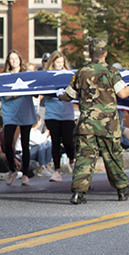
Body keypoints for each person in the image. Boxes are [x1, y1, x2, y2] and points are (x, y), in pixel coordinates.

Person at [64, 38, 129, 204]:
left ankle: (78, 193)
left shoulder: (81, 73)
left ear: (90, 54)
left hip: (86, 124)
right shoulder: (111, 72)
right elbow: (123, 93)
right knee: (113, 156)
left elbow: (68, 96)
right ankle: (122, 190)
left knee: (84, 158)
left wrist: (58, 94)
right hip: (108, 125)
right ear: (105, 53)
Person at [0, 50, 36, 186]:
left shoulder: (27, 76)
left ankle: (25, 174)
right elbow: (4, 94)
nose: (14, 61)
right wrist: (19, 93)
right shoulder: (5, 76)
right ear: (8, 62)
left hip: (25, 111)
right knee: (8, 143)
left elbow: (35, 91)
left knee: (25, 143)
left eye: (16, 58)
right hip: (10, 113)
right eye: (11, 59)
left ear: (20, 60)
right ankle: (13, 170)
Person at [41, 51, 76, 181]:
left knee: (67, 141)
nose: (60, 64)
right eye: (58, 62)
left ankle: (72, 161)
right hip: (52, 112)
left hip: (67, 113)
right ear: (53, 62)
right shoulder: (47, 75)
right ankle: (57, 171)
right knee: (55, 141)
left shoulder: (70, 74)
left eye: (62, 62)